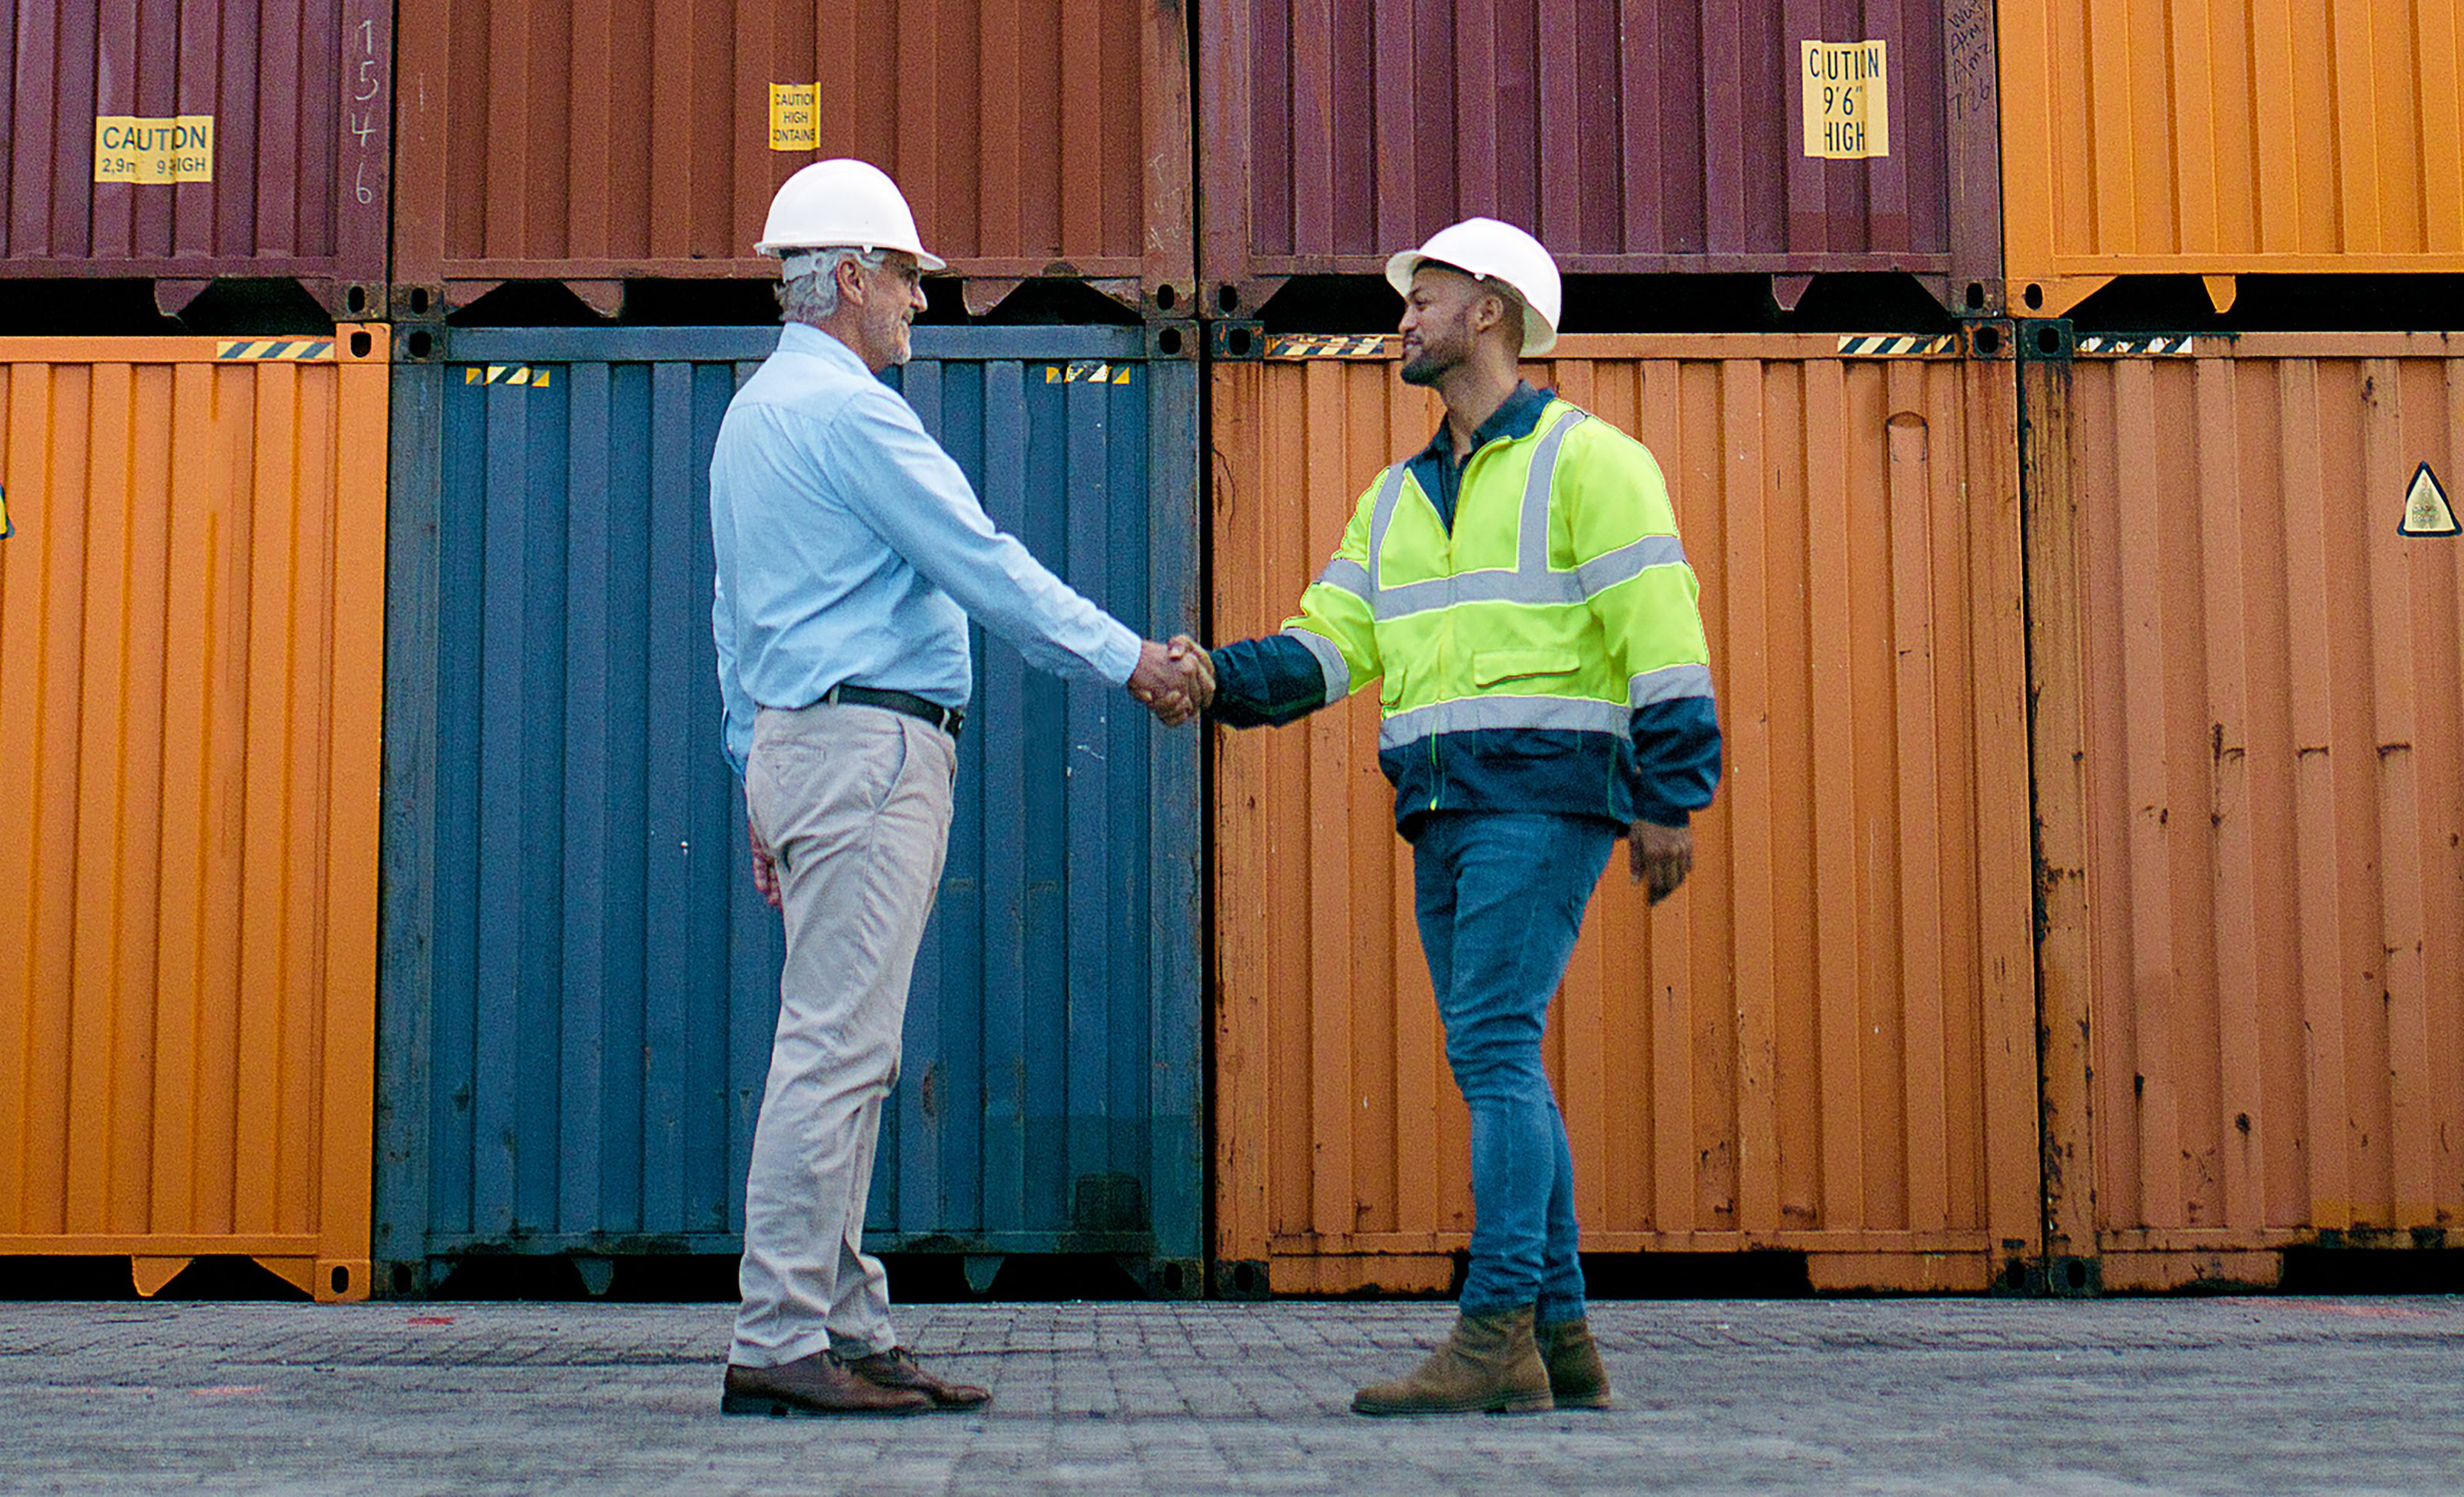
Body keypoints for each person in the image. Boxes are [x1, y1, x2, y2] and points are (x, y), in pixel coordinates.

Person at [705, 156, 1210, 1418]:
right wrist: (1132, 658)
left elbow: (731, 621)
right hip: (871, 750)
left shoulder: (751, 416)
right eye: (912, 278)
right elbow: (982, 564)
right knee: (834, 1053)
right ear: (855, 275)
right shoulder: (853, 415)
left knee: (850, 1052)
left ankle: (848, 1322)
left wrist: (748, 774)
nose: (922, 303)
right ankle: (778, 1334)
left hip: (797, 746)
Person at [1188, 217, 1713, 1417]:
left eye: (1422, 296)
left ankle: (1496, 1332)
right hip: (1441, 806)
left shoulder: (1593, 461)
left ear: (1489, 308)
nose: (1402, 317)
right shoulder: (1398, 498)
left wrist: (1672, 797)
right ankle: (1565, 1337)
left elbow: (1664, 635)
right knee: (1505, 1056)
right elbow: (1330, 647)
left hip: (1545, 796)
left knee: (1490, 1051)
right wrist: (1217, 677)